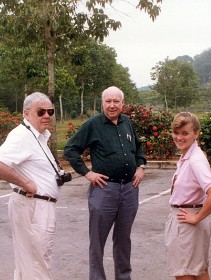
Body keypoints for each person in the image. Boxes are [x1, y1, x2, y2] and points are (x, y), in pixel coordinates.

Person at [64, 86, 147, 280]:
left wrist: (141, 167)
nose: (112, 105)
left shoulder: (127, 122)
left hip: (129, 189)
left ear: (122, 103)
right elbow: (70, 149)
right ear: (102, 103)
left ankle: (123, 277)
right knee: (97, 241)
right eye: (108, 101)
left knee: (124, 239)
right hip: (104, 189)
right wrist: (87, 173)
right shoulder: (93, 124)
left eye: (116, 101)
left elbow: (138, 148)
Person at [0, 92, 62, 280]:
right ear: (26, 113)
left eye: (50, 111)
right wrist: (25, 183)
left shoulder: (37, 136)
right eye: (40, 112)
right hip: (33, 206)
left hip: (39, 206)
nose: (46, 115)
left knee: (33, 260)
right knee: (37, 262)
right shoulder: (22, 136)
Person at [165, 112, 211, 280]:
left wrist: (197, 218)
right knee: (199, 271)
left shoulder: (195, 160)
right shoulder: (191, 155)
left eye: (185, 133)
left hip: (187, 224)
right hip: (188, 222)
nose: (179, 138)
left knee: (185, 274)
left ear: (196, 133)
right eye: (176, 133)